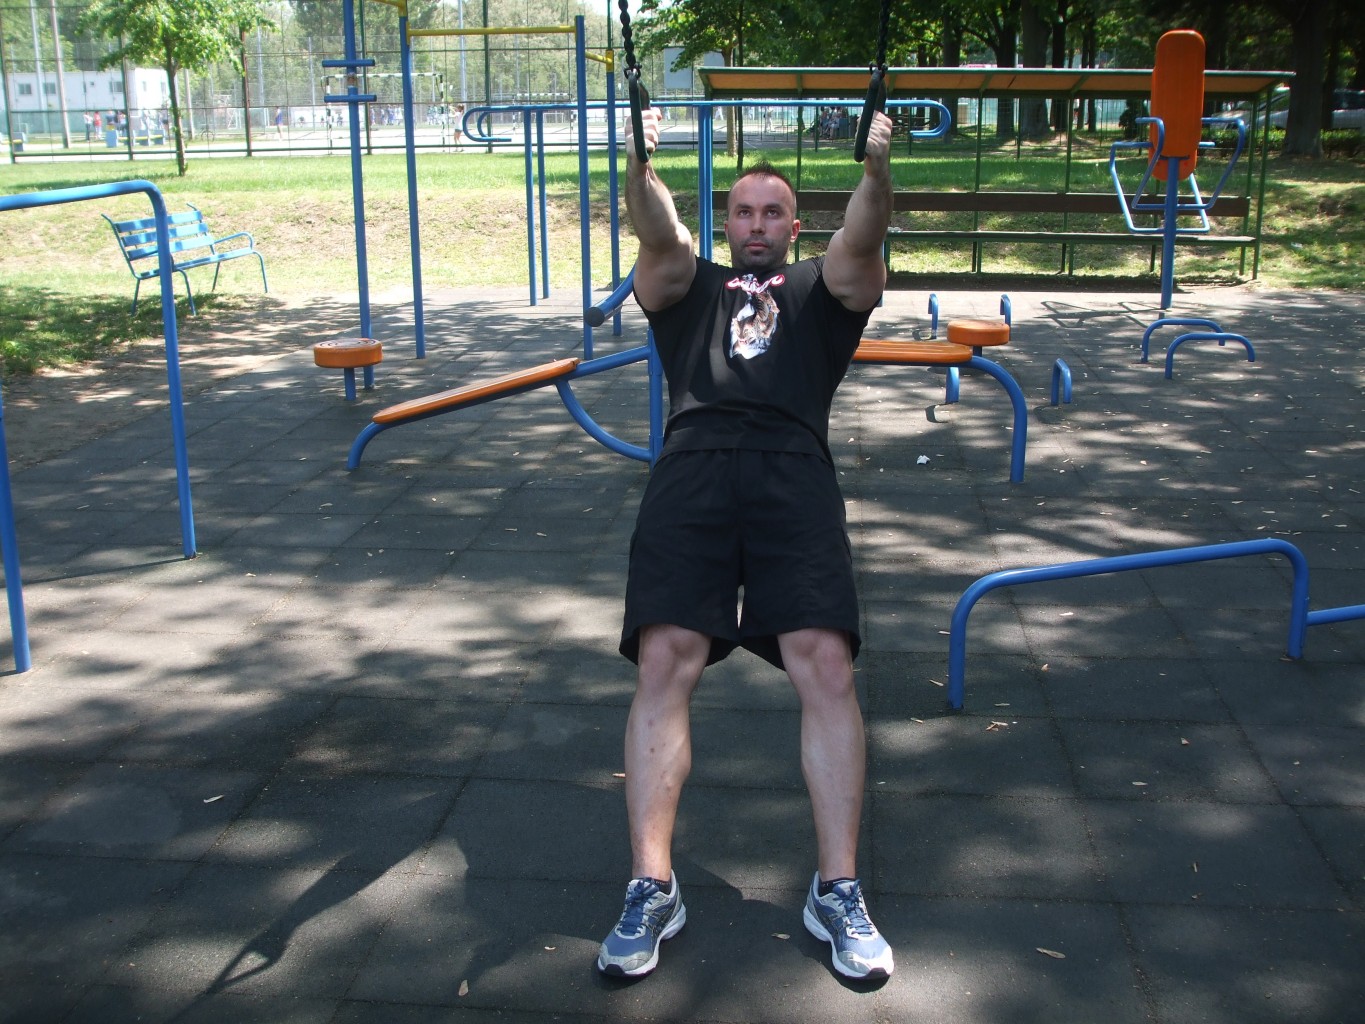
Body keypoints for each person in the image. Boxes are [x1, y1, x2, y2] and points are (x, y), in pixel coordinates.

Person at [596, 103, 896, 982]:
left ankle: (837, 890)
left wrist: (876, 173)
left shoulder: (819, 289)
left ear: (793, 227)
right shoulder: (686, 282)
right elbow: (655, 228)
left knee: (825, 664)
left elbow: (863, 238)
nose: (756, 224)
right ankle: (651, 887)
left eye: (773, 213)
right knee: (665, 659)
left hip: (791, 472)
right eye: (742, 212)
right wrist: (638, 164)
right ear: (724, 223)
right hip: (691, 469)